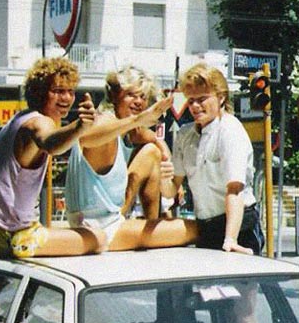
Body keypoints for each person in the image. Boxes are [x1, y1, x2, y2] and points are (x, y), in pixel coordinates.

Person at [0, 57, 104, 259]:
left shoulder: (20, 118)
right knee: (98, 238)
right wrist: (80, 126)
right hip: (9, 234)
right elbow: (50, 142)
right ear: (39, 92)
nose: (66, 98)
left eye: (70, 91)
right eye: (57, 91)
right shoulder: (38, 123)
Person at [65, 65, 198, 250]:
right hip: (98, 229)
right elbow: (86, 137)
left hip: (105, 223)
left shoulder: (128, 130)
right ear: (113, 95)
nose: (138, 102)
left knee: (152, 152)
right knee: (196, 229)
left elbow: (153, 139)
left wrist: (170, 174)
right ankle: (152, 230)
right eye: (131, 95)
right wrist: (137, 120)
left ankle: (153, 222)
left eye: (142, 97)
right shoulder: (104, 121)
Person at [161, 62, 263, 254]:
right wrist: (162, 178)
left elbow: (234, 190)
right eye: (191, 100)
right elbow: (171, 189)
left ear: (221, 97)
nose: (195, 106)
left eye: (202, 99)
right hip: (206, 227)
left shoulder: (230, 131)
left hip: (238, 227)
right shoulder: (184, 135)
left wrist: (230, 239)